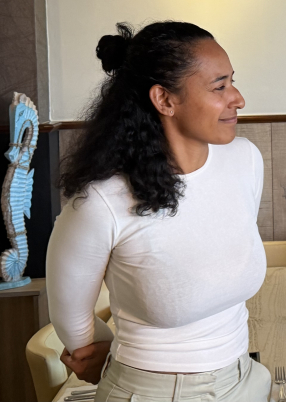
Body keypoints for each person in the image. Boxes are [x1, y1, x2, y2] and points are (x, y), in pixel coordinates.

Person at [47, 22, 271, 401]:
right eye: (219, 87)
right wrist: (106, 358)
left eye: (232, 82)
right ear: (164, 99)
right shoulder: (101, 201)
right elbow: (72, 320)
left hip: (244, 378)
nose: (238, 98)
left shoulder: (245, 160)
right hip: (151, 391)